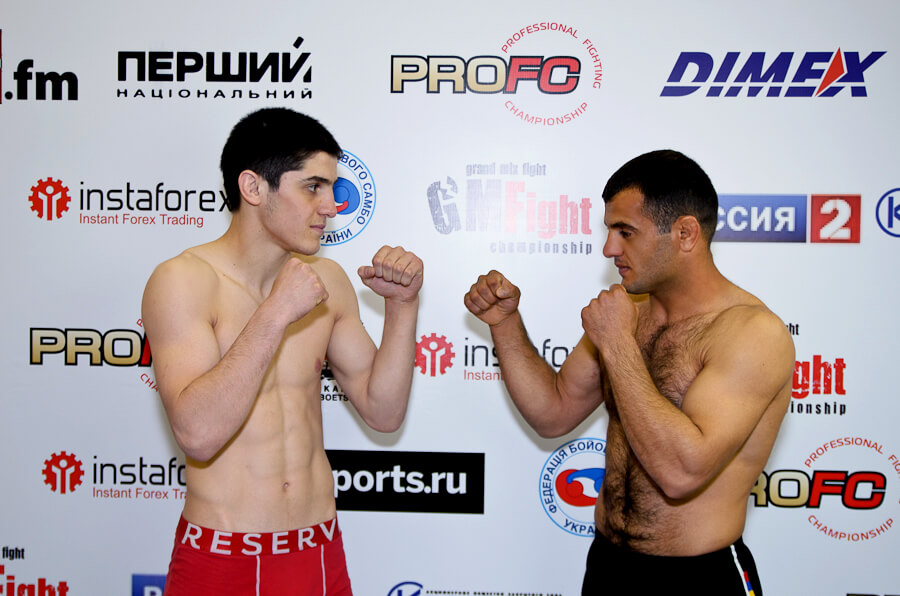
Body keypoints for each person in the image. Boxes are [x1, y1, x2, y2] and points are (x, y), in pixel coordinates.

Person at [464, 150, 793, 595]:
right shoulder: (629, 312)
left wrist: (618, 344)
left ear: (685, 233)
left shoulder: (752, 332)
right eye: (609, 231)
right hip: (608, 567)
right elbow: (553, 413)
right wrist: (504, 324)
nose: (609, 249)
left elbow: (681, 475)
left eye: (625, 232)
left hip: (699, 578)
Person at [142, 107, 423, 595]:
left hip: (317, 553)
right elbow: (198, 434)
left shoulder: (327, 282)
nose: (332, 206)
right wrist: (275, 312)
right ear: (253, 188)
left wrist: (401, 308)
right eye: (313, 187)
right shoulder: (183, 281)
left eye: (332, 188)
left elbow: (384, 412)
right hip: (221, 559)